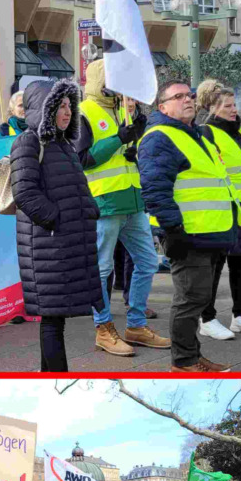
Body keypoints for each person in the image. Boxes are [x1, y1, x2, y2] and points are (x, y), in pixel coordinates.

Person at [138, 79, 241, 372]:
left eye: (190, 95)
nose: (188, 100)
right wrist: (174, 230)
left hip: (210, 233)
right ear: (162, 106)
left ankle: (193, 356)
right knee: (189, 299)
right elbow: (156, 190)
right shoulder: (160, 137)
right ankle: (183, 362)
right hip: (188, 234)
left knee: (199, 298)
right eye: (179, 96)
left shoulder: (194, 134)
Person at [74, 60, 169, 357]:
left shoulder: (122, 109)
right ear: (101, 80)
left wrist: (134, 147)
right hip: (104, 202)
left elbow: (123, 155)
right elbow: (81, 159)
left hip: (132, 201)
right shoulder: (83, 113)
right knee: (102, 270)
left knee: (148, 262)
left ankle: (136, 325)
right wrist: (120, 138)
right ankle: (103, 329)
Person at [10, 78, 105, 372]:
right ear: (42, 108)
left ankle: (48, 372)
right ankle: (56, 375)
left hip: (64, 243)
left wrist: (89, 209)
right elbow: (24, 191)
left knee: (56, 319)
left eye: (69, 106)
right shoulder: (29, 141)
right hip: (48, 245)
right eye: (59, 106)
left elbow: (74, 187)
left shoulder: (62, 144)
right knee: (52, 320)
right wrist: (57, 219)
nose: (66, 112)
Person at [196, 79, 241, 340]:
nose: (234, 109)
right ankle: (207, 318)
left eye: (234, 104)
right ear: (212, 108)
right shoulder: (206, 133)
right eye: (227, 106)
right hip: (223, 205)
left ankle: (240, 315)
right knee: (214, 264)